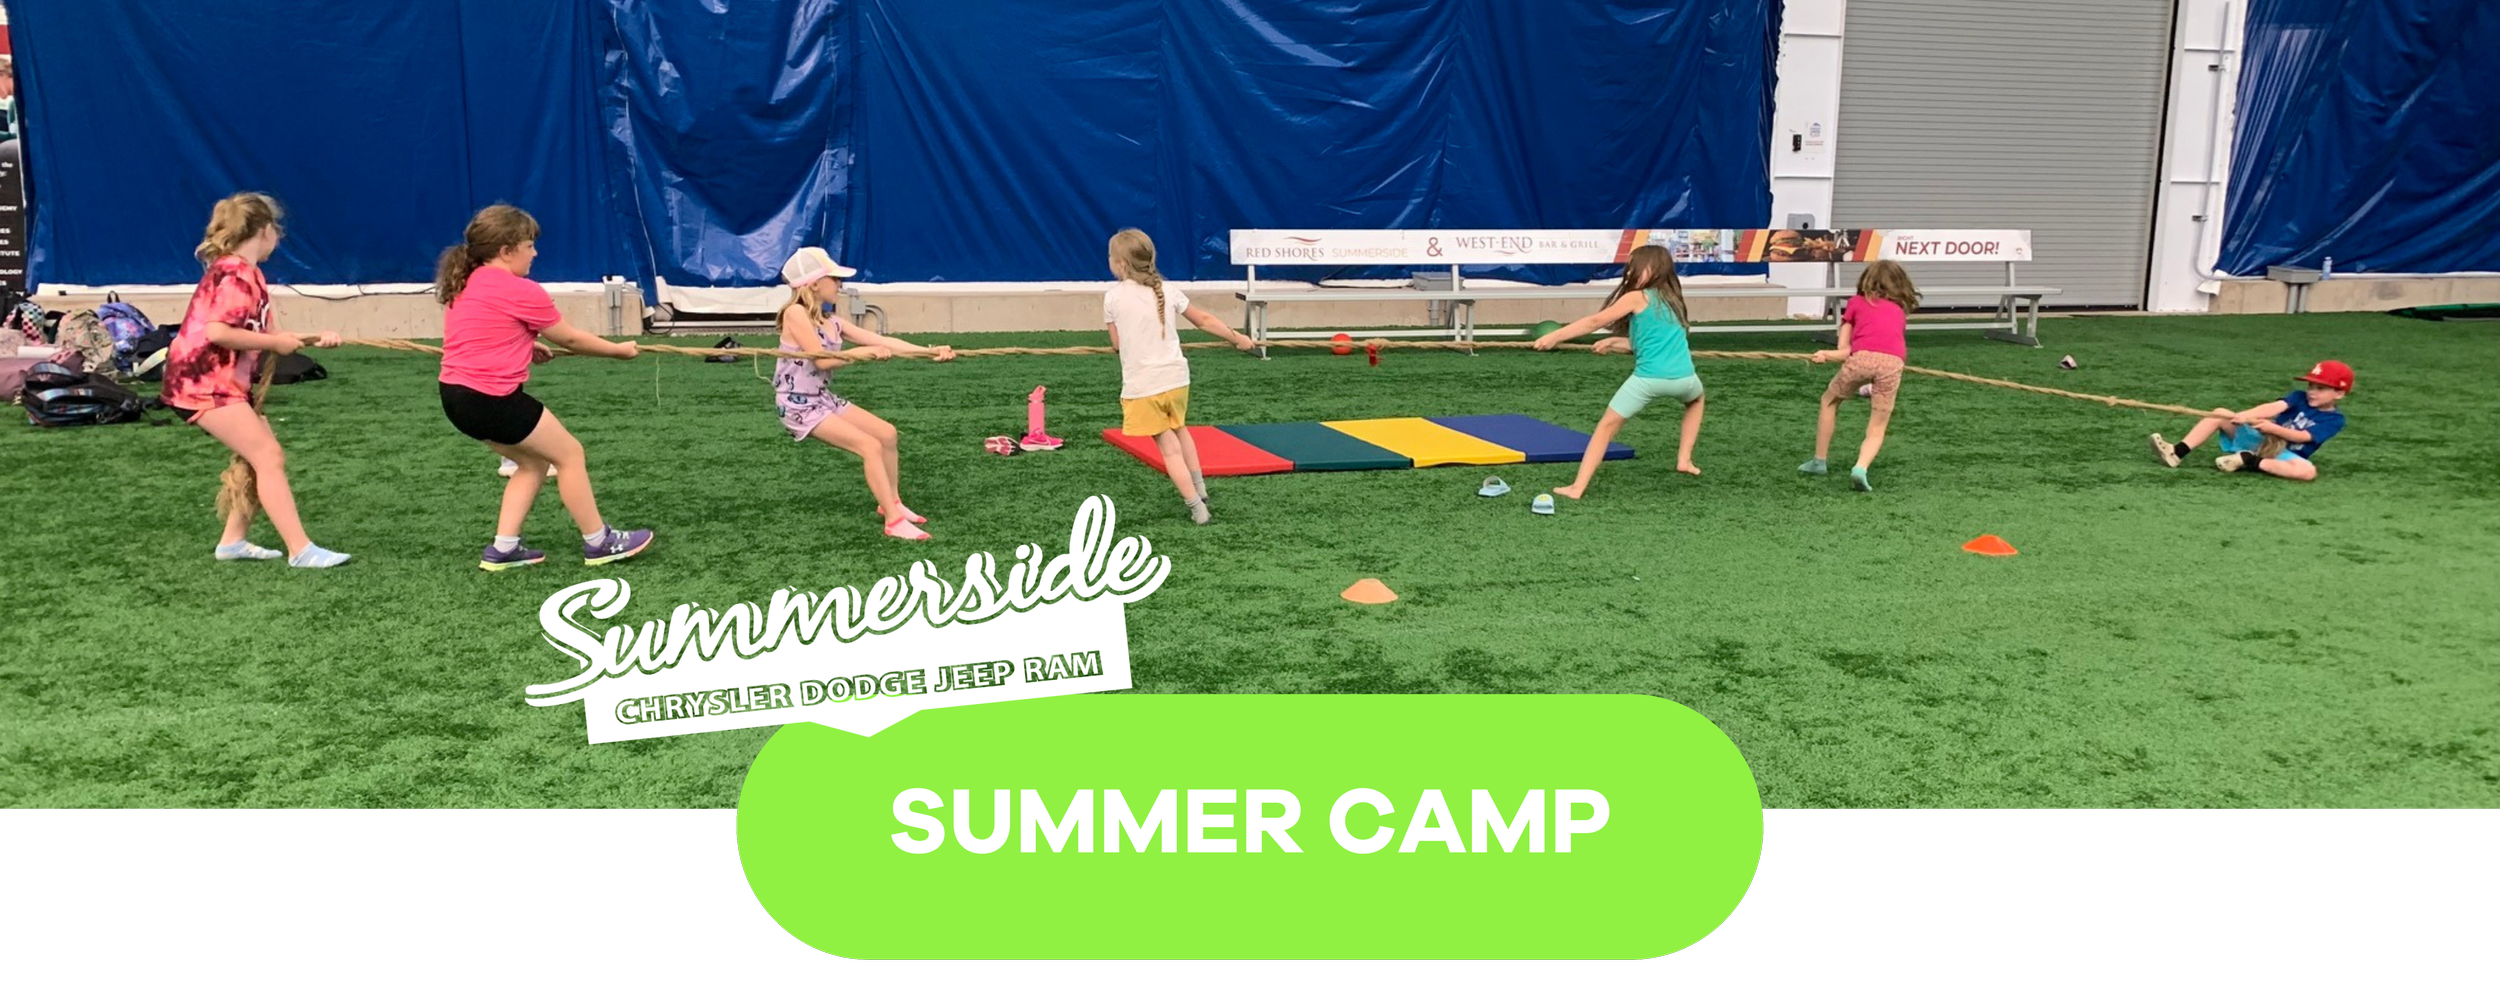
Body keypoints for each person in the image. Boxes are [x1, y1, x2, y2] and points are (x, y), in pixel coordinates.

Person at [435, 204, 652, 570]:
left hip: (455, 399)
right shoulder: (523, 290)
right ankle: (599, 541)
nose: (534, 253)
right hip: (493, 399)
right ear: (506, 251)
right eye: (529, 246)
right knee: (570, 455)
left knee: (531, 462)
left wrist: (524, 342)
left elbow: (484, 330)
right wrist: (619, 352)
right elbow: (571, 339)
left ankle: (503, 549)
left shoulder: (466, 281)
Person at [161, 193, 350, 567]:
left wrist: (313, 339)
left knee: (258, 454)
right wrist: (276, 342)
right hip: (203, 386)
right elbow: (218, 332)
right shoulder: (236, 273)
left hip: (218, 385)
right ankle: (300, 549)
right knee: (268, 456)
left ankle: (233, 541)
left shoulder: (246, 273)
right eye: (276, 231)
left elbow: (270, 336)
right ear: (265, 231)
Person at [774, 246, 957, 541]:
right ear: (814, 283)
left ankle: (892, 503)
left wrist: (929, 351)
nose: (840, 285)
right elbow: (821, 360)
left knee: (886, 434)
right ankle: (894, 523)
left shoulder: (832, 321)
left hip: (821, 398)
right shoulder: (795, 313)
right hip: (798, 405)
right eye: (834, 278)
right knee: (869, 446)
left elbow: (881, 339)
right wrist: (864, 353)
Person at [1104, 228, 1256, 524]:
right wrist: (1238, 338)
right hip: (1176, 380)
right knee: (1180, 429)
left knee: (1169, 449)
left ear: (1120, 264)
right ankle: (1200, 489)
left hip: (1144, 385)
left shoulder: (1112, 297)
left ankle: (1196, 507)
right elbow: (1204, 320)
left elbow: (1117, 344)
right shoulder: (1167, 289)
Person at [1531, 244, 1704, 499]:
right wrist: (1615, 343)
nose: (1630, 271)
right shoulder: (1673, 300)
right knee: (1697, 400)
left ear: (1653, 269)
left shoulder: (1638, 297)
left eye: (1635, 266)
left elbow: (1594, 322)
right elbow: (1651, 344)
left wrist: (1555, 336)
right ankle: (1684, 459)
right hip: (1686, 380)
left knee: (1606, 428)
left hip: (1648, 380)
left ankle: (1577, 488)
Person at [1799, 259, 1919, 492]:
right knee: (1877, 425)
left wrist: (1825, 354)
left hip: (1861, 360)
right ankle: (1860, 467)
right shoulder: (1898, 312)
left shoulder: (1855, 303)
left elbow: (1846, 351)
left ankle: (1819, 461)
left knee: (1829, 401)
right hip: (1893, 364)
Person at [2149, 360, 2351, 481]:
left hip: (2283, 453)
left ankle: (2249, 461)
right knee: (2219, 413)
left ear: (2339, 394)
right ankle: (2177, 452)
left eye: (2320, 388)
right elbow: (2273, 407)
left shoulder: (2335, 419)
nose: (2312, 392)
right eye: (2311, 386)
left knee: (2307, 471)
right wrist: (2245, 415)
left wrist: (2273, 428)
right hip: (2262, 441)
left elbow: (2302, 437)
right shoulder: (2298, 397)